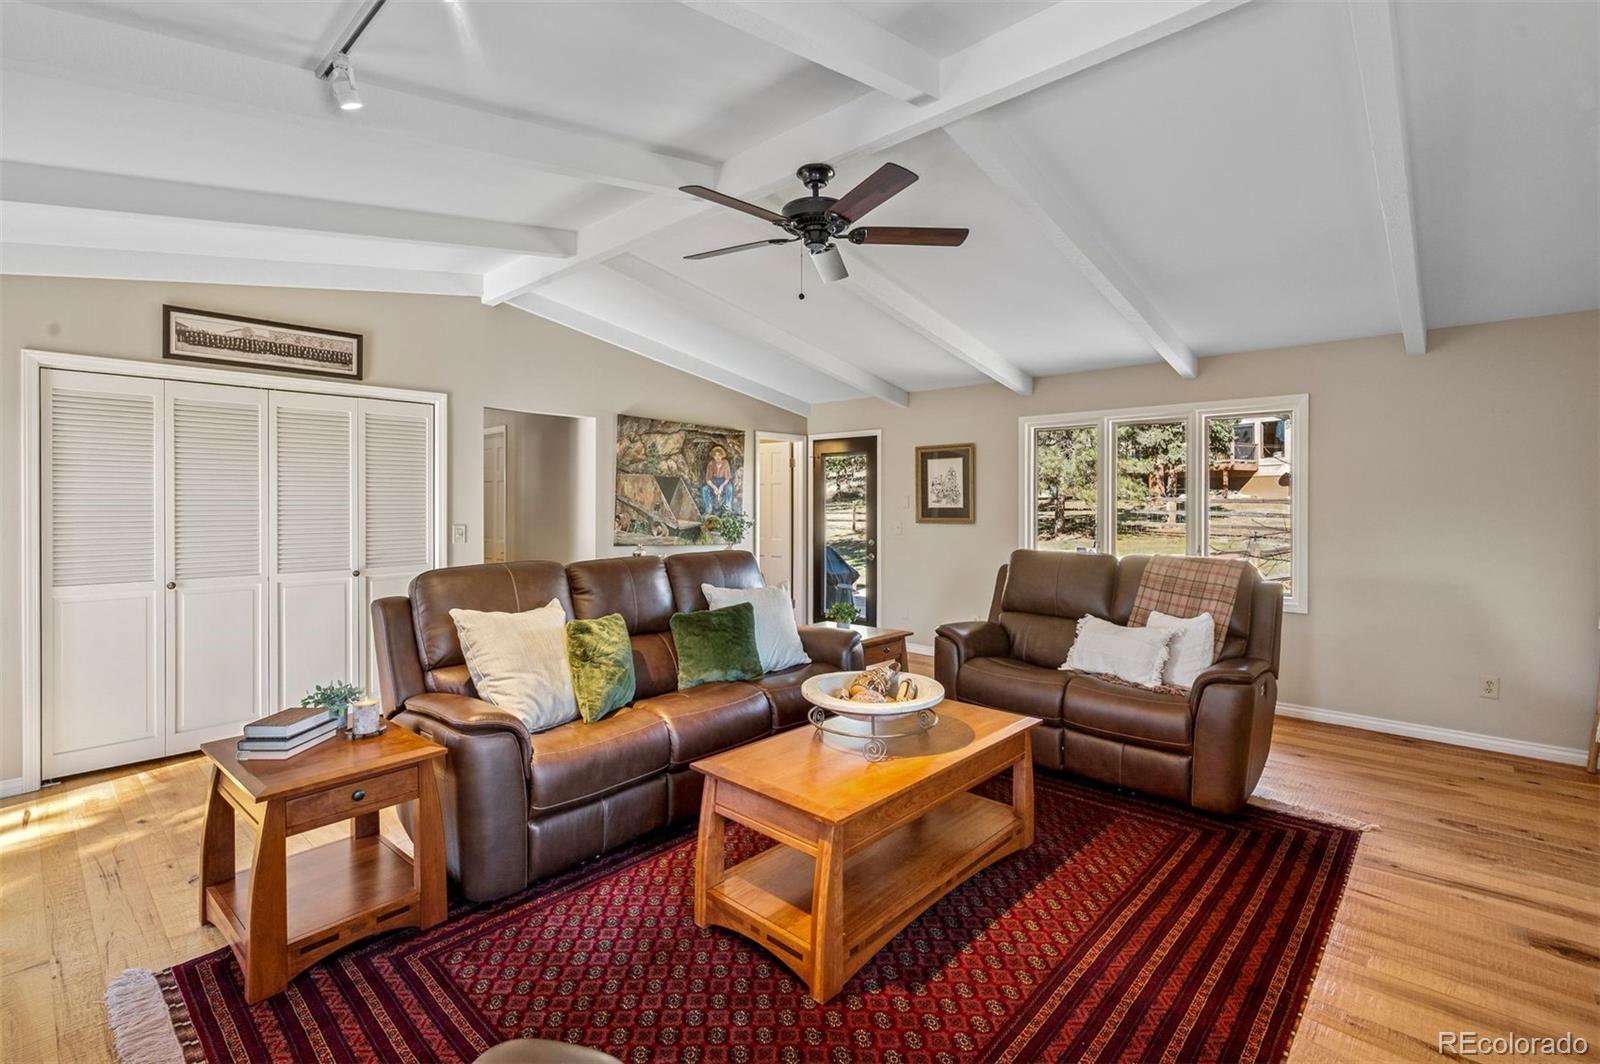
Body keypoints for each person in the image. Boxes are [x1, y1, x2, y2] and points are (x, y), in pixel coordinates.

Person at [701, 444, 735, 514]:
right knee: (705, 489)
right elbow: (708, 479)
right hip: (713, 482)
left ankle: (728, 509)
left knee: (729, 488)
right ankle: (708, 509)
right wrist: (714, 488)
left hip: (724, 481)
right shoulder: (711, 464)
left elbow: (727, 478)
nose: (717, 457)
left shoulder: (725, 463)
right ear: (713, 456)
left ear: (722, 456)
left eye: (719, 455)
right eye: (715, 455)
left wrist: (721, 487)